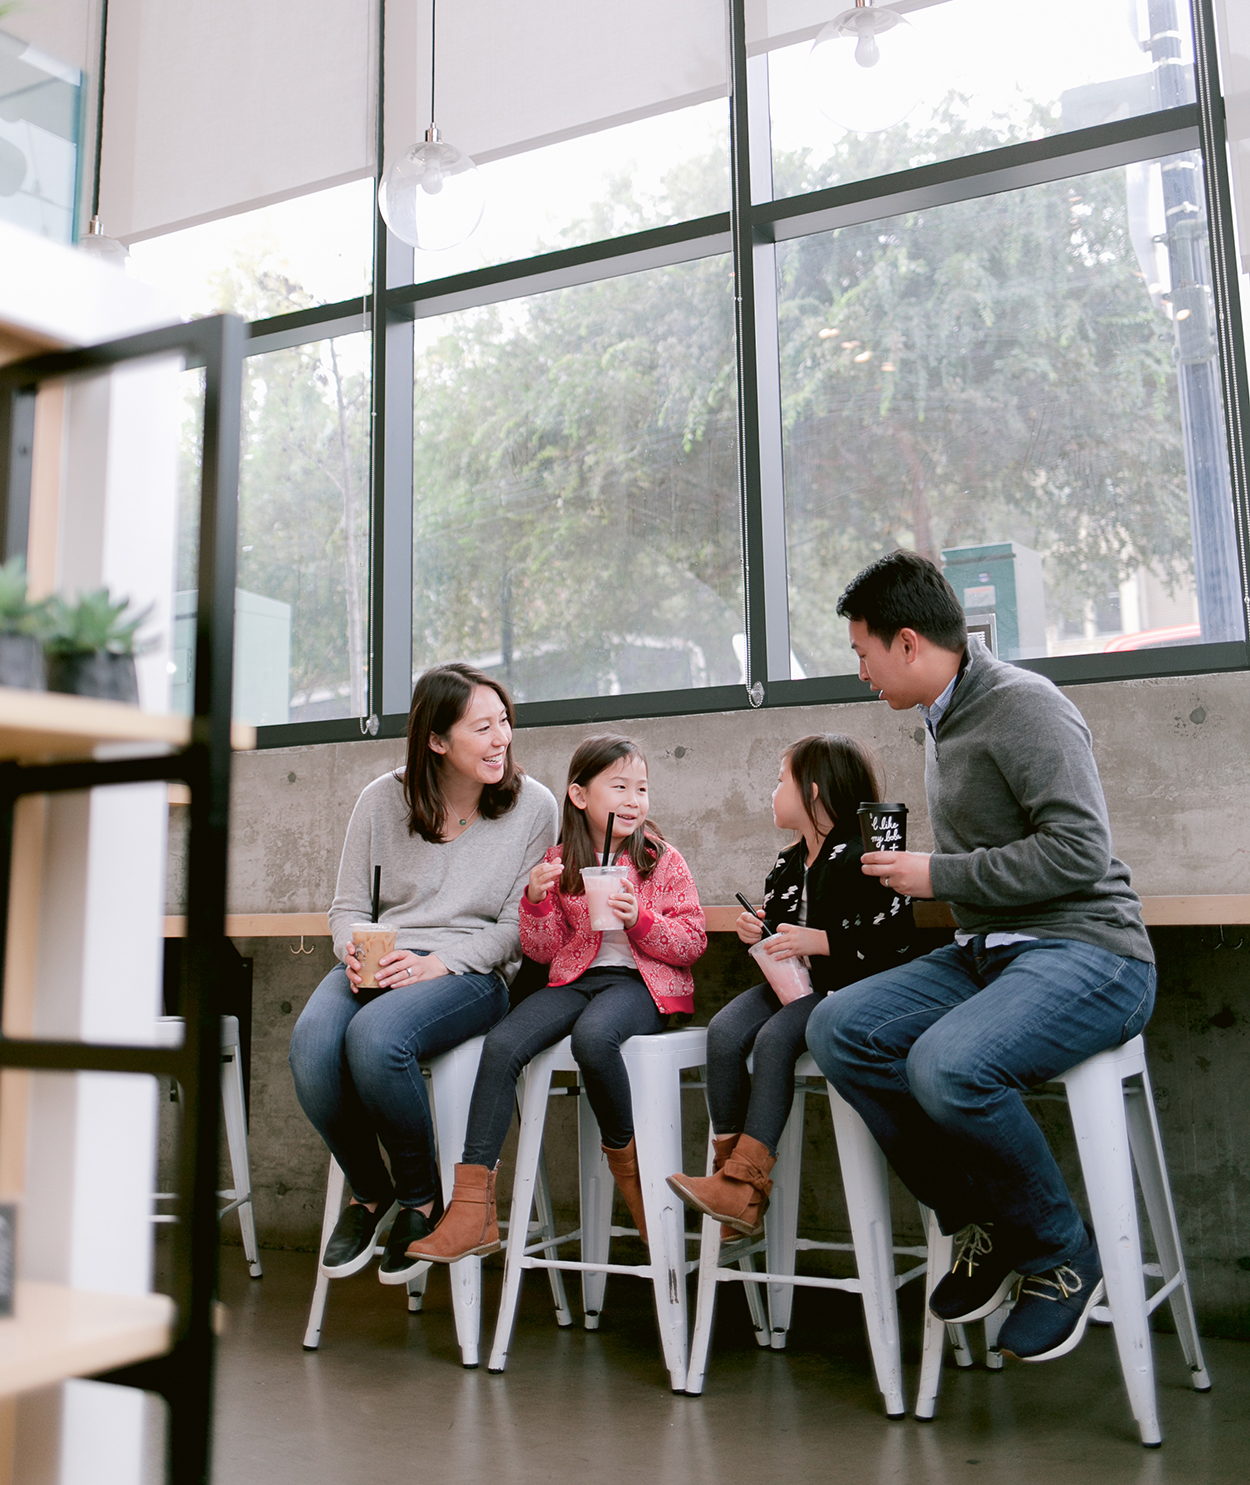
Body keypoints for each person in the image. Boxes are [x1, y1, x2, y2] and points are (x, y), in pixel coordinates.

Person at [806, 550, 1156, 1363]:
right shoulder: (941, 718)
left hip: (1089, 949)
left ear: (905, 642)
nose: (860, 672)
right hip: (992, 950)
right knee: (840, 1029)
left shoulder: (1024, 706)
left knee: (947, 1066)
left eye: (861, 653)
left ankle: (1060, 1252)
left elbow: (1079, 852)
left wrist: (937, 874)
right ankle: (987, 1223)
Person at [288, 663, 558, 1285]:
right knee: (309, 1047)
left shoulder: (533, 806)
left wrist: (440, 962)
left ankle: (420, 1199)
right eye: (482, 728)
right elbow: (349, 907)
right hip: (384, 957)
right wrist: (352, 950)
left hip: (471, 970)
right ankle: (370, 1190)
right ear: (437, 740)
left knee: (377, 1041)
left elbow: (523, 925)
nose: (502, 740)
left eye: (505, 724)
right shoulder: (383, 799)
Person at [408, 735, 707, 1261]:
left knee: (595, 1039)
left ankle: (631, 1175)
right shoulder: (560, 861)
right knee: (501, 1044)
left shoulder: (661, 860)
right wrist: (536, 900)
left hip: (642, 985)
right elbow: (541, 951)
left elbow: (691, 944)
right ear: (578, 795)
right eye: (619, 787)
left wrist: (640, 918)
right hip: (576, 981)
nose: (634, 799)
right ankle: (473, 1209)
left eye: (642, 787)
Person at [668, 734, 917, 1238]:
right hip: (791, 984)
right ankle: (730, 1182)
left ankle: (743, 1187)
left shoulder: (866, 852)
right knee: (723, 1031)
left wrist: (822, 940)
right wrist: (756, 927)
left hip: (846, 987)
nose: (773, 791)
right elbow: (781, 929)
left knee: (774, 1039)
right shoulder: (787, 861)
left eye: (781, 780)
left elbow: (891, 936)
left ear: (813, 791)